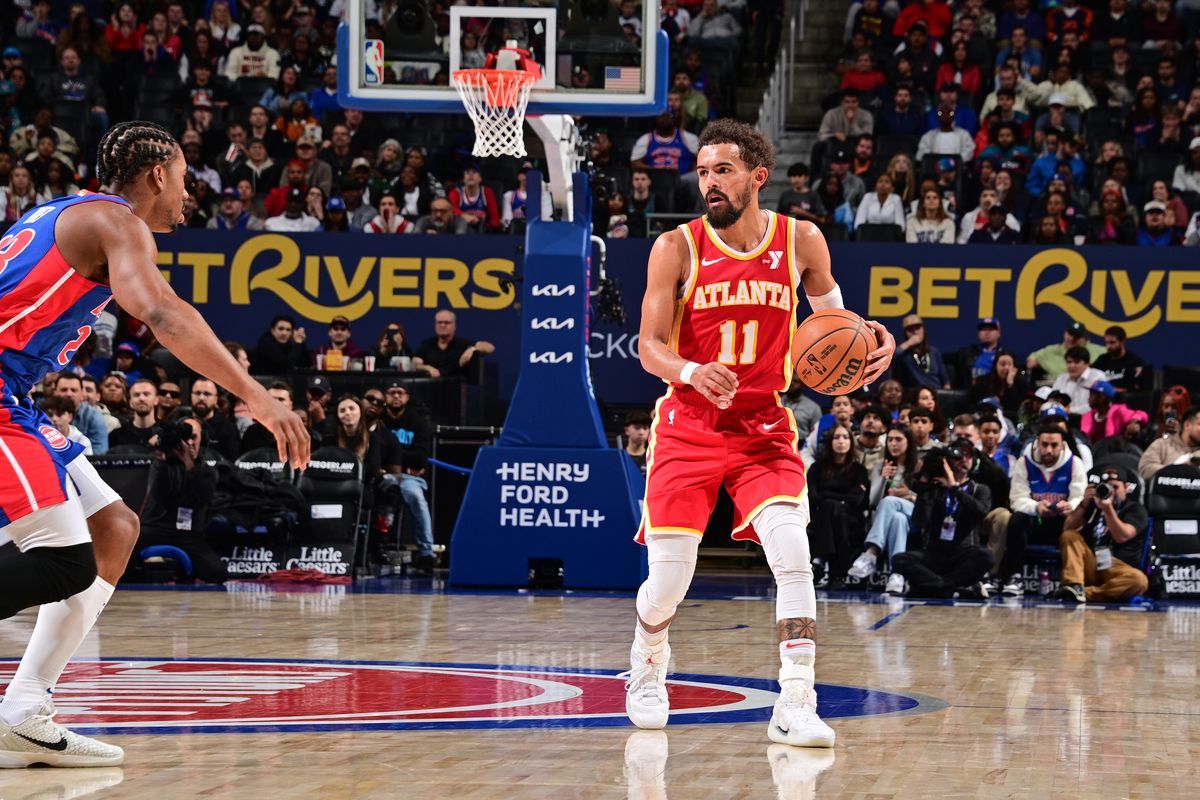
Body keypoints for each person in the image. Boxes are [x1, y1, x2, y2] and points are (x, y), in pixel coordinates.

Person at [0, 121, 308, 768]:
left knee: (113, 527)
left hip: (17, 397)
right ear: (158, 175)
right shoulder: (118, 222)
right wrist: (253, 393)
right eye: (185, 179)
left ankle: (25, 709)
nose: (189, 195)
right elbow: (163, 312)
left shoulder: (57, 214)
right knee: (61, 558)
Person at [622, 119, 895, 747]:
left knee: (793, 556)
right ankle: (647, 658)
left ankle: (796, 699)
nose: (710, 183)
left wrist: (868, 342)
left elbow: (834, 323)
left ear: (757, 177)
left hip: (764, 427)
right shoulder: (677, 247)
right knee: (668, 581)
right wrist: (690, 370)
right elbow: (648, 347)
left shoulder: (801, 241)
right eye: (703, 172)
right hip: (689, 426)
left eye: (723, 171)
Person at [131, 417, 228, 584]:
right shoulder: (160, 464)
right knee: (118, 566)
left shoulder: (207, 471)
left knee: (217, 572)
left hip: (187, 534)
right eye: (185, 438)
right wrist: (162, 457)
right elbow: (162, 497)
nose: (189, 442)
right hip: (153, 528)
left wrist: (189, 464)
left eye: (194, 437)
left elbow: (199, 500)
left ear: (202, 440)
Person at [891, 443, 994, 598]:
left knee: (987, 556)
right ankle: (951, 587)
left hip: (963, 553)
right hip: (935, 553)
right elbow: (920, 521)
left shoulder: (979, 489)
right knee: (899, 559)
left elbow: (981, 511)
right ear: (948, 462)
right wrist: (926, 486)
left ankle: (937, 585)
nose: (963, 460)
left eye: (968, 456)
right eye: (958, 457)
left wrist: (955, 488)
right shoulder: (936, 488)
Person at [999, 424, 1087, 596]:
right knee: (1017, 518)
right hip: (1035, 520)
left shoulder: (1075, 463)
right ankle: (1014, 577)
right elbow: (1016, 499)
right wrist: (1036, 507)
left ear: (1062, 445)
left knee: (1079, 521)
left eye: (1054, 445)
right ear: (1037, 443)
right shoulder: (1023, 463)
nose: (1049, 450)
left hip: (1062, 521)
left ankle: (1073, 581)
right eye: (1044, 444)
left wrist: (1070, 506)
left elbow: (1080, 497)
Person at [1056, 465, 1149, 604]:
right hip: (1093, 561)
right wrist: (1083, 504)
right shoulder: (1094, 505)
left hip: (1118, 567)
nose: (1110, 492)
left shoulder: (1135, 509)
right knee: (1070, 535)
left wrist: (1107, 509)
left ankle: (1084, 593)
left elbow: (1122, 536)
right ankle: (1073, 585)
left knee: (1139, 581)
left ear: (1126, 487)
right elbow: (1067, 529)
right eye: (1105, 487)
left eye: (1115, 487)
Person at [847, 424, 919, 594]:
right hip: (893, 520)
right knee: (897, 519)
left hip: (916, 516)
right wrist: (882, 479)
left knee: (890, 502)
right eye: (890, 440)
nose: (893, 444)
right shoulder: (881, 466)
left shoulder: (919, 467)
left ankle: (871, 552)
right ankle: (897, 575)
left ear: (909, 442)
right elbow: (873, 502)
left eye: (898, 439)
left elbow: (927, 502)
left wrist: (910, 494)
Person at [379, 381, 435, 573]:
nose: (396, 396)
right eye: (391, 392)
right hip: (385, 474)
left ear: (407, 397)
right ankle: (380, 547)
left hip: (410, 478)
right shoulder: (379, 419)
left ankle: (427, 553)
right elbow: (376, 454)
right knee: (384, 489)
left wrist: (392, 455)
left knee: (417, 498)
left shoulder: (418, 421)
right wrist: (403, 460)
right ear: (385, 396)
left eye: (400, 392)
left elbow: (421, 458)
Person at [805, 424, 870, 588]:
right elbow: (813, 498)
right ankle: (837, 571)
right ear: (829, 442)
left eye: (845, 437)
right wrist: (841, 498)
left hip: (851, 517)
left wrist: (828, 495)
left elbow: (859, 501)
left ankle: (820, 560)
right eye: (836, 437)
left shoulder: (859, 470)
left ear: (851, 442)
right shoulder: (816, 468)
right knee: (830, 509)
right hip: (821, 517)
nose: (841, 441)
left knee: (832, 507)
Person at [413, 310, 495, 380]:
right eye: (439, 322)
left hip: (457, 389)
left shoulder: (462, 344)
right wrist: (427, 368)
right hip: (432, 387)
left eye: (447, 323)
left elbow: (490, 347)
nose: (442, 325)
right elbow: (414, 363)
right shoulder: (427, 344)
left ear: (454, 326)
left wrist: (472, 349)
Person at [1138, 405, 1200, 481]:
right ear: (1187, 425)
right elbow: (1145, 470)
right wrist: (1177, 469)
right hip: (1163, 492)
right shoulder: (1161, 445)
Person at [1027, 322, 1104, 381]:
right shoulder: (1052, 351)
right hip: (1060, 385)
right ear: (1065, 334)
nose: (1072, 339)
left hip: (1087, 385)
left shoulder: (1099, 351)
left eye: (1077, 336)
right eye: (1070, 334)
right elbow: (1032, 360)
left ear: (1084, 338)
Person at [1080, 381, 1148, 445]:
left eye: (1092, 394)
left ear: (1102, 397)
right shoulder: (1088, 416)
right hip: (1092, 454)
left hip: (1113, 454)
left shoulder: (1118, 412)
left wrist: (1134, 423)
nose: (1088, 398)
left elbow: (1141, 414)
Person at [1049, 346, 1106, 414]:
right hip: (1064, 418)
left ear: (1087, 363)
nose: (1072, 365)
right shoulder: (1061, 379)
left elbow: (1097, 405)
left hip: (1090, 419)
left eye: (1076, 362)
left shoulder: (1098, 377)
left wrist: (1070, 410)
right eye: (1069, 362)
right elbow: (1052, 402)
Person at [108, 379, 159, 450]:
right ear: (130, 402)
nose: (141, 398)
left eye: (146, 394)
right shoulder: (116, 436)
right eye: (136, 395)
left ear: (156, 400)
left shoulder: (166, 433)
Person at [1092, 326, 1146, 392]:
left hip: (1125, 400)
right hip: (1103, 399)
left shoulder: (1134, 361)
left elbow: (1134, 389)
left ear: (1123, 341)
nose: (1108, 346)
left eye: (1112, 342)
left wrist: (1110, 390)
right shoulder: (1102, 359)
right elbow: (1091, 379)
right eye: (1106, 343)